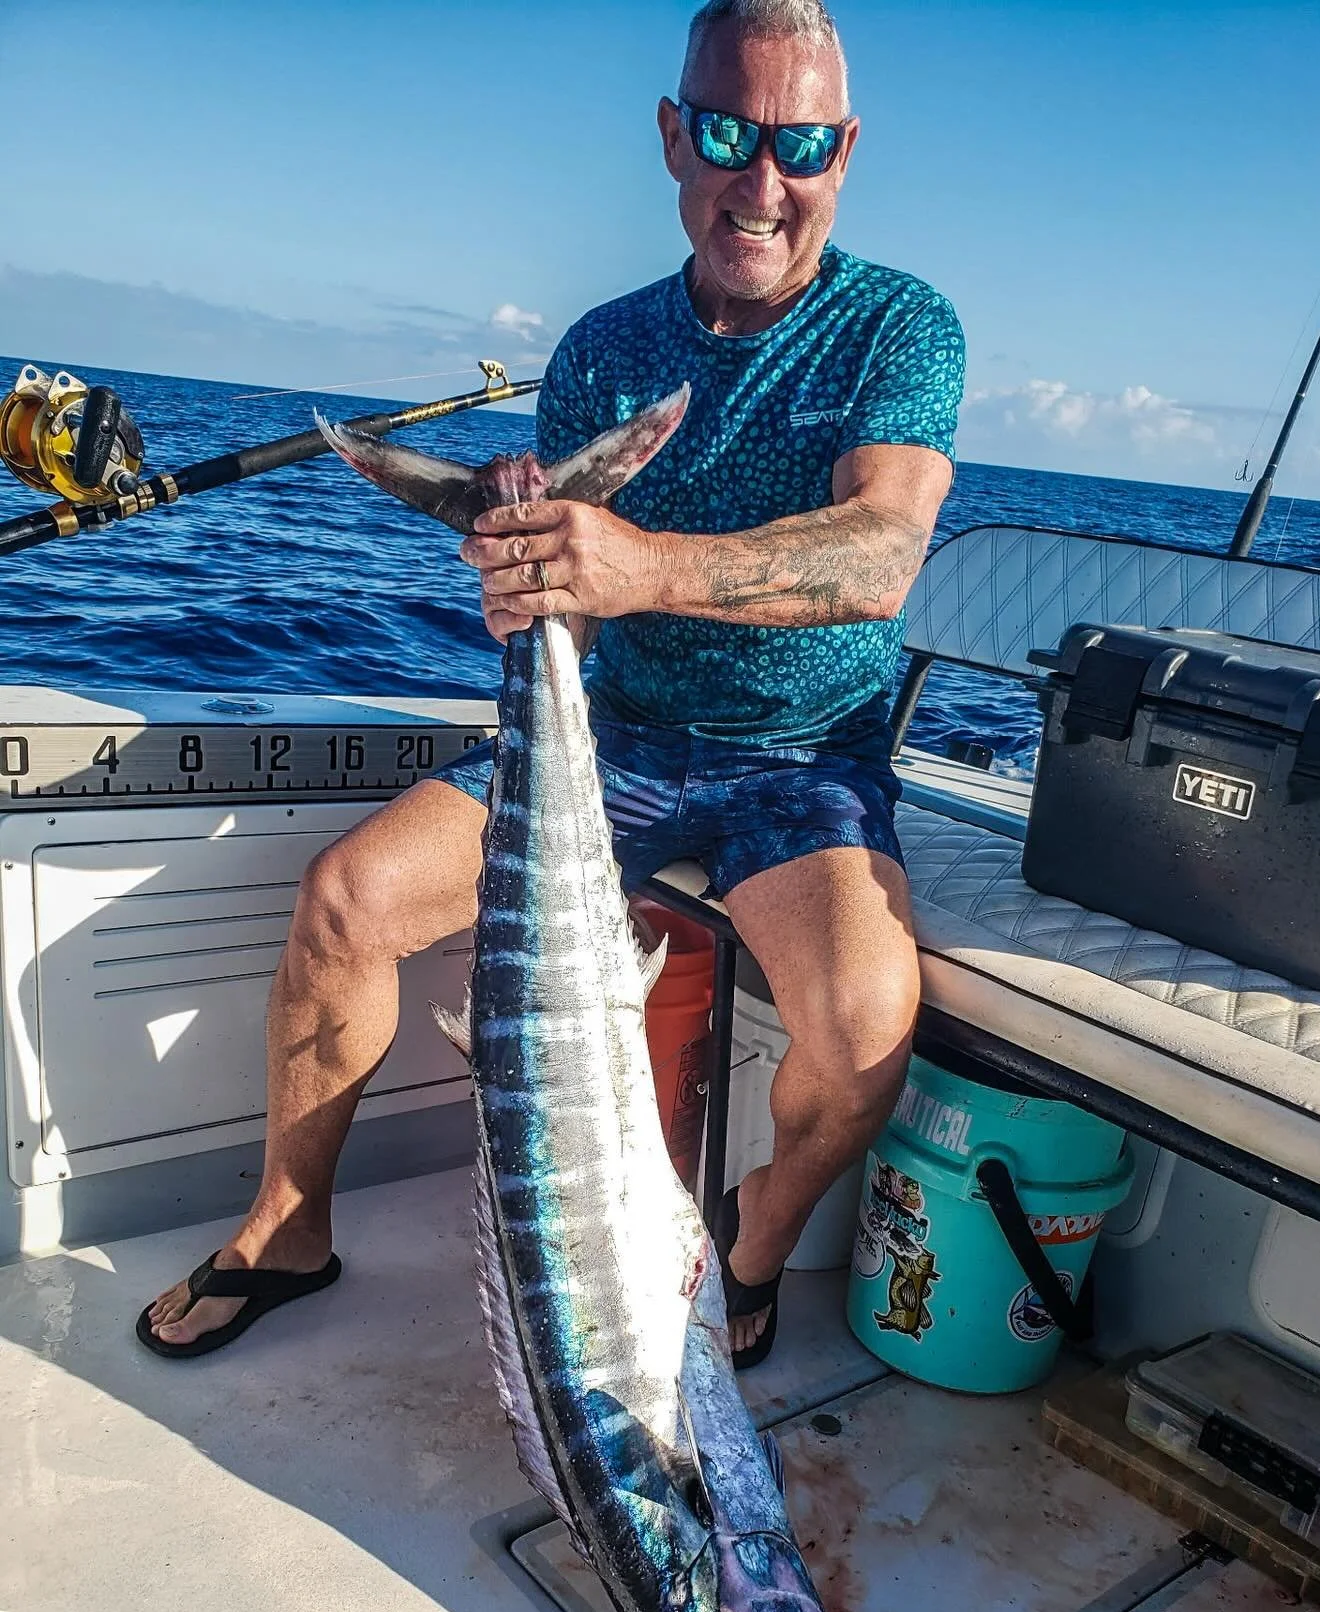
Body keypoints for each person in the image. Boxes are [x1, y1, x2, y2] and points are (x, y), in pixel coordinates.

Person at [137, 0, 965, 1369]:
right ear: (672, 139)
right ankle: (287, 1230)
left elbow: (880, 553)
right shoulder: (601, 350)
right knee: (344, 903)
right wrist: (531, 592)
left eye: (803, 143)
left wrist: (635, 568)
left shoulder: (897, 329)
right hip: (612, 739)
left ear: (846, 150)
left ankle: (743, 1253)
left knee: (866, 1022)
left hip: (803, 758)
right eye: (728, 133)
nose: (765, 181)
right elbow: (572, 612)